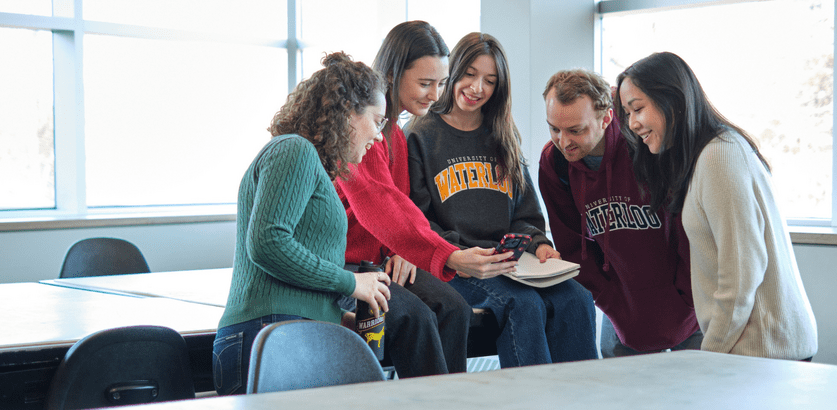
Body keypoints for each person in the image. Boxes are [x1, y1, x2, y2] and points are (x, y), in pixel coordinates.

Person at [406, 33, 598, 368]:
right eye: (469, 73)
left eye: (490, 80)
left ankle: (582, 397)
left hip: (512, 262)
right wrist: (456, 254)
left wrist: (539, 245)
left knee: (578, 300)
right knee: (523, 306)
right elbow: (417, 219)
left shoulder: (503, 134)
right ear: (451, 71)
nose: (477, 87)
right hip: (462, 264)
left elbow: (525, 211)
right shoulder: (420, 135)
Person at [335, 20, 512, 377]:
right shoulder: (360, 130)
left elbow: (402, 206)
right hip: (345, 268)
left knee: (455, 308)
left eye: (441, 83)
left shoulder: (395, 135)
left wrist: (402, 249)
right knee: (415, 317)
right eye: (425, 83)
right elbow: (379, 205)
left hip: (381, 262)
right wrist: (449, 254)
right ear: (393, 74)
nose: (435, 94)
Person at [615, 51, 818, 360]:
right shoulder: (707, 157)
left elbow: (740, 276)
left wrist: (708, 355)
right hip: (750, 351)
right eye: (627, 113)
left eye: (638, 109)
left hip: (764, 353)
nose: (632, 124)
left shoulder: (719, 155)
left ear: (675, 100)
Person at [213, 52, 393, 395]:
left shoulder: (313, 166)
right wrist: (351, 283)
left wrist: (337, 318)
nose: (381, 137)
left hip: (285, 333)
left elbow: (294, 276)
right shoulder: (294, 150)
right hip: (271, 334)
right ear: (348, 113)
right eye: (378, 121)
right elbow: (267, 243)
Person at [538, 69, 701, 357]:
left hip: (690, 309)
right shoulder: (555, 163)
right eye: (554, 129)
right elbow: (571, 245)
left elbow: (691, 233)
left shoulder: (649, 144)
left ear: (606, 117)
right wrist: (610, 300)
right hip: (623, 311)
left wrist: (687, 298)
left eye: (576, 130)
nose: (564, 142)